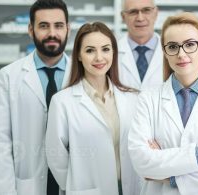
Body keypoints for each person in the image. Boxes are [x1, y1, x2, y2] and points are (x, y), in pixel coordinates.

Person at [128, 12, 198, 195]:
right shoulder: (148, 99)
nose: (181, 54)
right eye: (172, 47)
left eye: (189, 45)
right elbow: (141, 162)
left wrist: (170, 176)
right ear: (165, 52)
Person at [0, 0, 70, 194]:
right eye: (43, 26)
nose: (52, 33)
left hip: (73, 183)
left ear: (68, 29)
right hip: (28, 185)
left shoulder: (82, 75)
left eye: (58, 25)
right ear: (31, 29)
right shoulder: (8, 76)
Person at [45, 22, 138, 195]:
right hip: (88, 189)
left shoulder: (132, 98)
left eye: (105, 49)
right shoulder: (62, 102)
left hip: (130, 187)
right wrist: (77, 185)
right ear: (79, 56)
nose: (99, 58)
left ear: (114, 52)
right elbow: (55, 155)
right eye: (90, 50)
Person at [119, 0, 163, 90]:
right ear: (123, 17)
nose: (140, 18)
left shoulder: (172, 51)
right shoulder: (112, 52)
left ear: (156, 13)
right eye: (133, 12)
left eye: (146, 10)